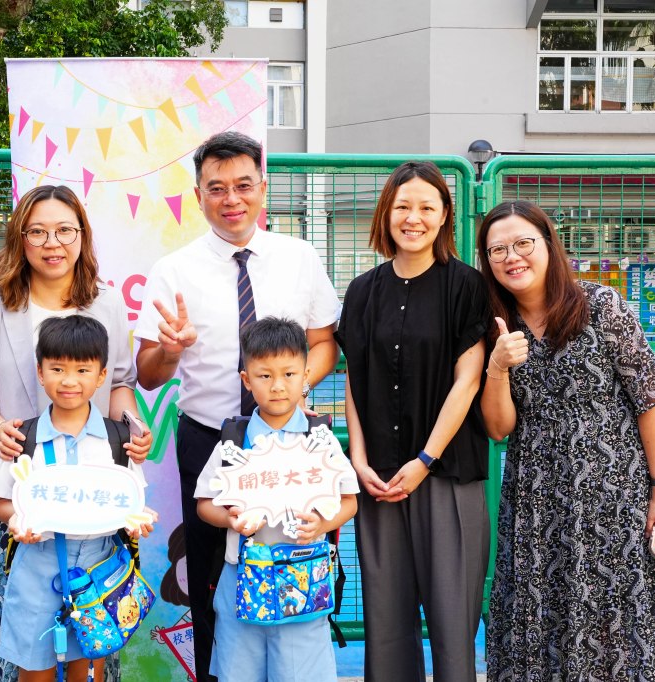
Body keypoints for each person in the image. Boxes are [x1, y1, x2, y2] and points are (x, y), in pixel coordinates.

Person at [0, 184, 152, 682]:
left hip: (80, 501)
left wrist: (132, 428)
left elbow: (121, 383)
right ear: (20, 238)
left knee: (83, 630)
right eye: (38, 232)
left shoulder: (107, 304)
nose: (53, 243)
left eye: (65, 230)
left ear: (82, 235)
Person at [134, 130, 340, 681]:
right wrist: (171, 350)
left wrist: (288, 393)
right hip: (209, 441)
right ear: (198, 195)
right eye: (217, 188)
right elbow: (147, 374)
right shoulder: (173, 270)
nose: (232, 199)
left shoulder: (299, 257)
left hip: (291, 442)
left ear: (262, 188)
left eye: (244, 185)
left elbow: (325, 341)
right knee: (209, 581)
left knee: (297, 564)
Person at [478, 200, 655, 680]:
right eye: (497, 250)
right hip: (536, 502)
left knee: (618, 619)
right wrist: (498, 366)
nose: (512, 257)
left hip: (614, 499)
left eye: (523, 243)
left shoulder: (601, 306)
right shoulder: (494, 324)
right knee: (540, 615)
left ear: (549, 245)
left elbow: (649, 401)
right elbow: (499, 428)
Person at [336, 160, 491, 682]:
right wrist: (358, 459)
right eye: (403, 206)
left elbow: (468, 381)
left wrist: (425, 459)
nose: (413, 218)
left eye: (427, 207)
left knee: (452, 622)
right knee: (385, 622)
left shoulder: (466, 286)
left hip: (446, 475)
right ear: (387, 213)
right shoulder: (362, 291)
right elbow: (355, 380)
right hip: (379, 479)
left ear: (445, 215)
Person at [0, 315, 155, 681]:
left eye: (82, 370)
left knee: (88, 670)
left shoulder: (118, 441)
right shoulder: (24, 439)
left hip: (99, 567)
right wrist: (19, 520)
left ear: (102, 375)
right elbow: (2, 503)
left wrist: (138, 520)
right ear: (40, 372)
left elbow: (132, 504)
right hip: (37, 566)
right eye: (57, 368)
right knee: (35, 671)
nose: (69, 380)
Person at [194, 316, 359, 682]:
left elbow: (350, 500)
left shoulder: (319, 439)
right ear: (246, 380)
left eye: (289, 374)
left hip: (304, 580)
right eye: (265, 375)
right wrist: (230, 519)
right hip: (241, 579)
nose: (278, 386)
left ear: (306, 376)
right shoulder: (233, 442)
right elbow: (204, 504)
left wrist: (323, 522)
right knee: (240, 674)